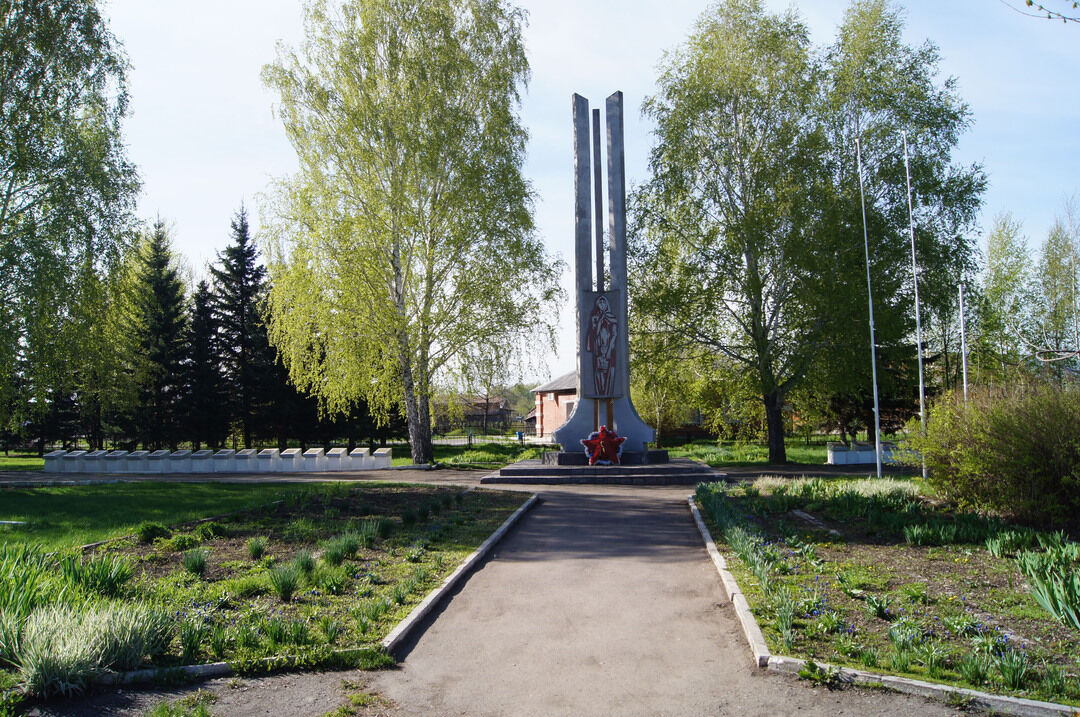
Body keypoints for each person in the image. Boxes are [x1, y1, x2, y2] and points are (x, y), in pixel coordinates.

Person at [586, 294, 617, 395]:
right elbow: (595, 332)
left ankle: (608, 393)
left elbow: (614, 335)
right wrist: (600, 320)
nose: (602, 304)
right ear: (597, 304)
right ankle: (600, 393)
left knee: (609, 371)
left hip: (609, 348)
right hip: (598, 348)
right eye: (600, 302)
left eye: (604, 302)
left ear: (607, 304)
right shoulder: (595, 317)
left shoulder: (612, 317)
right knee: (599, 372)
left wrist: (609, 351)